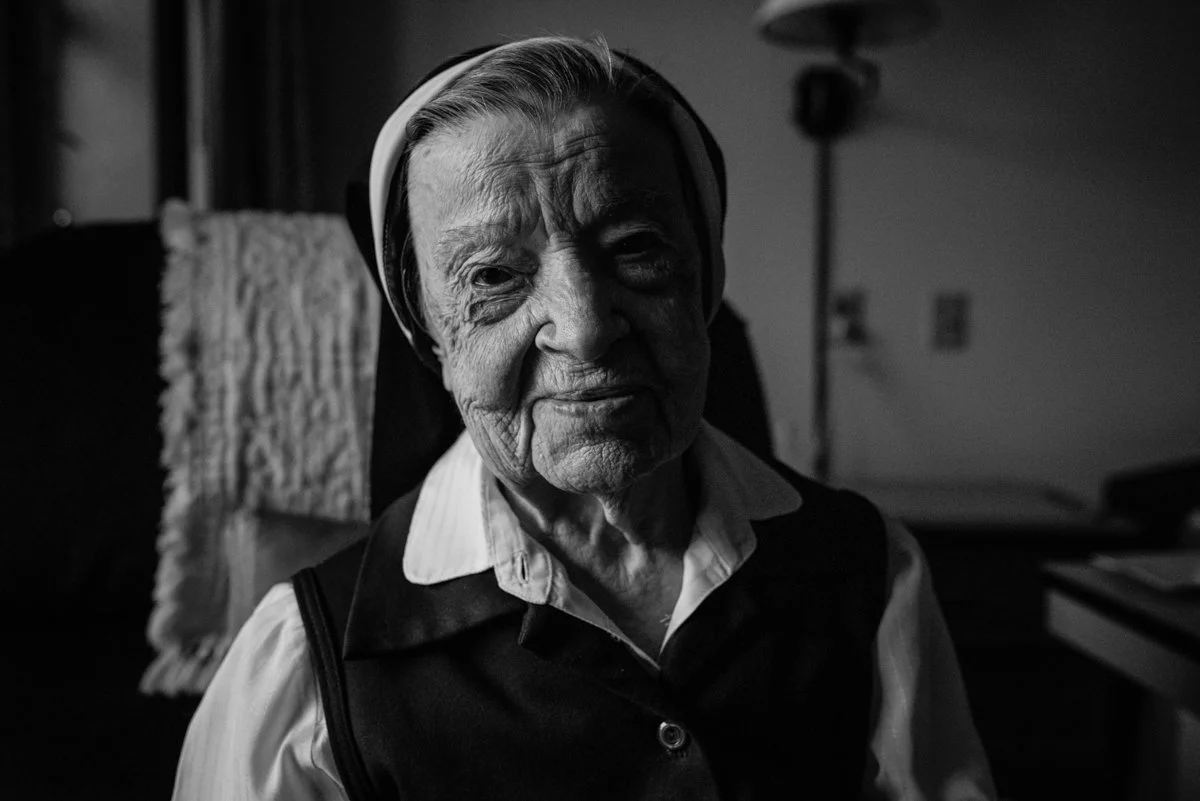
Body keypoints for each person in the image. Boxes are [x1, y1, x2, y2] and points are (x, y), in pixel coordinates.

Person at [172, 35, 996, 800]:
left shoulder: (868, 570)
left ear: (702, 281)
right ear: (430, 334)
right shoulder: (309, 665)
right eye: (493, 275)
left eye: (636, 247)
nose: (586, 324)